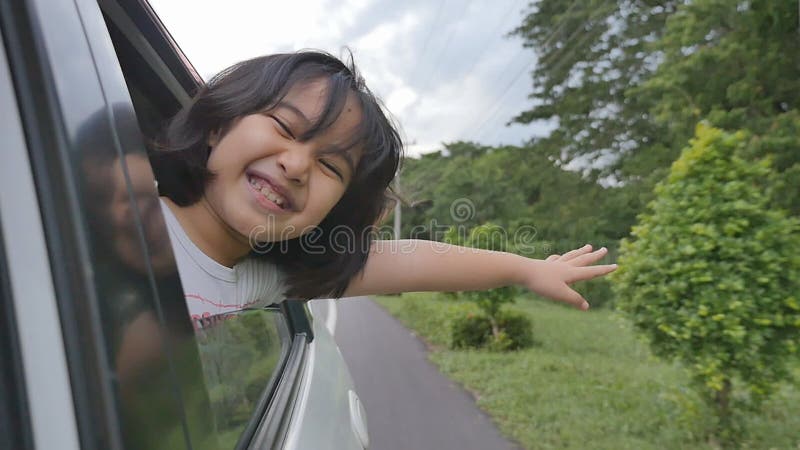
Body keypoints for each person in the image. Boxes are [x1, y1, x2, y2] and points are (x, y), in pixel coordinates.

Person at [148, 50, 616, 322]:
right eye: (284, 127)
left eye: (331, 167)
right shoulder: (119, 211)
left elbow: (411, 263)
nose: (295, 165)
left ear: (332, 211)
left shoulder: (262, 280)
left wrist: (527, 269)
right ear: (216, 126)